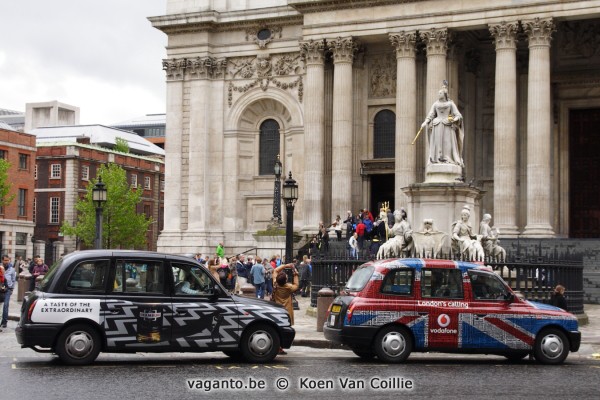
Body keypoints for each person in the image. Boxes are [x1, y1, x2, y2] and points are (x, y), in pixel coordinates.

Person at [421, 83, 464, 166]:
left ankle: (448, 158)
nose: (438, 94)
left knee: (447, 143)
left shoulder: (450, 104)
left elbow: (458, 115)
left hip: (447, 125)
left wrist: (454, 119)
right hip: (437, 125)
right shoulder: (435, 104)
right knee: (437, 143)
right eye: (438, 93)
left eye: (440, 93)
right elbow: (431, 115)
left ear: (444, 94)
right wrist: (425, 122)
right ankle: (436, 158)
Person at [272, 263, 299, 354]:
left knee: (277, 328)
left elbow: (275, 270)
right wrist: (295, 272)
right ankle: (280, 346)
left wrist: (285, 265)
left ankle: (278, 346)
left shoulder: (275, 284)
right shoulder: (289, 288)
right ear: (286, 280)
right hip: (286, 311)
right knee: (284, 329)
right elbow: (296, 284)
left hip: (276, 309)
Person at [1, 255, 16, 328]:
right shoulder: (0, 268)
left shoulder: (12, 269)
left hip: (8, 289)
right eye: (5, 260)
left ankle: (4, 321)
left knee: (6, 305)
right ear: (2, 260)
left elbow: (13, 280)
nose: (6, 261)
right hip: (0, 289)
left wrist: (12, 289)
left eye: (7, 260)